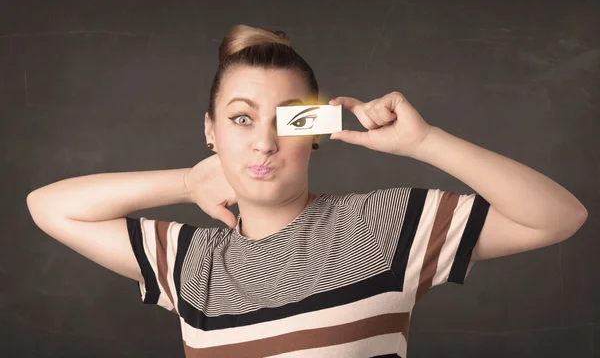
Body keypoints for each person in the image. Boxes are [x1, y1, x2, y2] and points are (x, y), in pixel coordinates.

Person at [26, 24, 588, 357]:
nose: (264, 142)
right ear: (209, 131)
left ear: (315, 132)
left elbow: (557, 218)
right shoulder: (190, 262)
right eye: (241, 119)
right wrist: (182, 181)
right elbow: (48, 207)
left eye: (290, 120)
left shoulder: (380, 226)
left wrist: (426, 143)